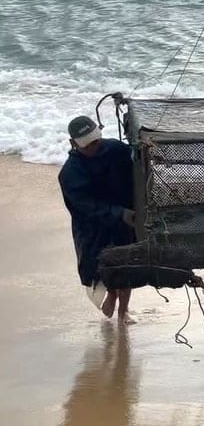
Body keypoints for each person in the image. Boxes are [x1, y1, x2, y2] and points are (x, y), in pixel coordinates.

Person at [58, 116, 136, 324]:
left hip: (124, 221)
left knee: (127, 265)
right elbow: (84, 207)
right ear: (74, 144)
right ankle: (111, 294)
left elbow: (137, 159)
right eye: (88, 144)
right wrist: (119, 213)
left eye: (96, 140)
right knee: (100, 267)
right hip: (92, 227)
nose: (94, 146)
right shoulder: (70, 173)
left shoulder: (115, 149)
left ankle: (124, 311)